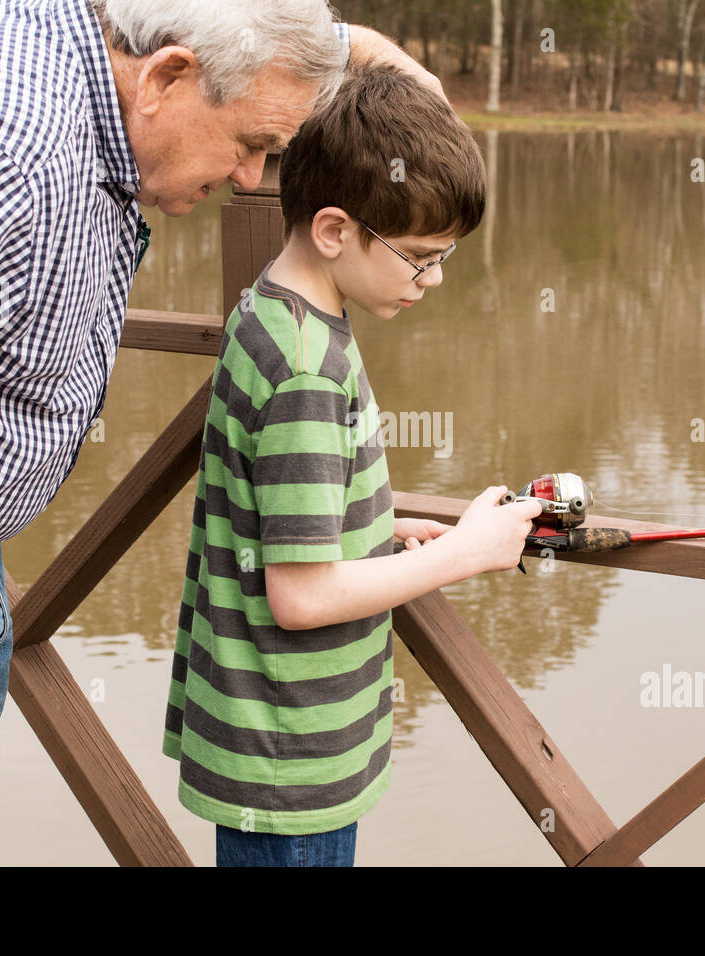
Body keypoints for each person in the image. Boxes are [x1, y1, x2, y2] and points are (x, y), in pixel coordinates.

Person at [0, 0, 440, 866]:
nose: (253, 175)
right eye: (252, 142)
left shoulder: (101, 33)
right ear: (168, 78)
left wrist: (365, 57)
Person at [162, 64, 543, 868]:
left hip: (270, 740)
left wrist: (377, 521)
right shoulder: (306, 369)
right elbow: (301, 597)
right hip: (292, 761)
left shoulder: (272, 311)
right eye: (421, 258)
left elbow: (283, 503)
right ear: (335, 231)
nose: (434, 280)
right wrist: (466, 553)